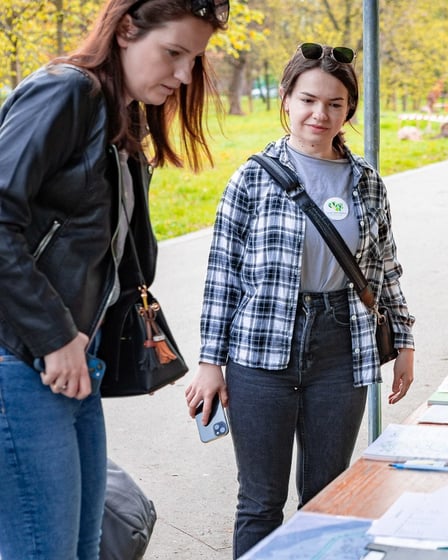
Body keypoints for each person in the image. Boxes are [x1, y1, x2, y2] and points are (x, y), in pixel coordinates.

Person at [0, 1, 227, 558]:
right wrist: (55, 336)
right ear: (126, 29)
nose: (182, 75)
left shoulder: (117, 115)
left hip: (73, 363)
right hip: (22, 360)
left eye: (193, 60)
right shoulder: (66, 93)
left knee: (85, 547)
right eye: (173, 53)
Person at [185, 42, 416, 557]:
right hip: (261, 348)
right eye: (309, 100)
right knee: (261, 502)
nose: (321, 114)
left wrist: (404, 342)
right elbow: (222, 273)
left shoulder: (367, 184)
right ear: (287, 99)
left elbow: (386, 269)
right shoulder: (251, 178)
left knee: (326, 498)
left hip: (341, 345)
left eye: (335, 104)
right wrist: (209, 361)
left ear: (348, 111)